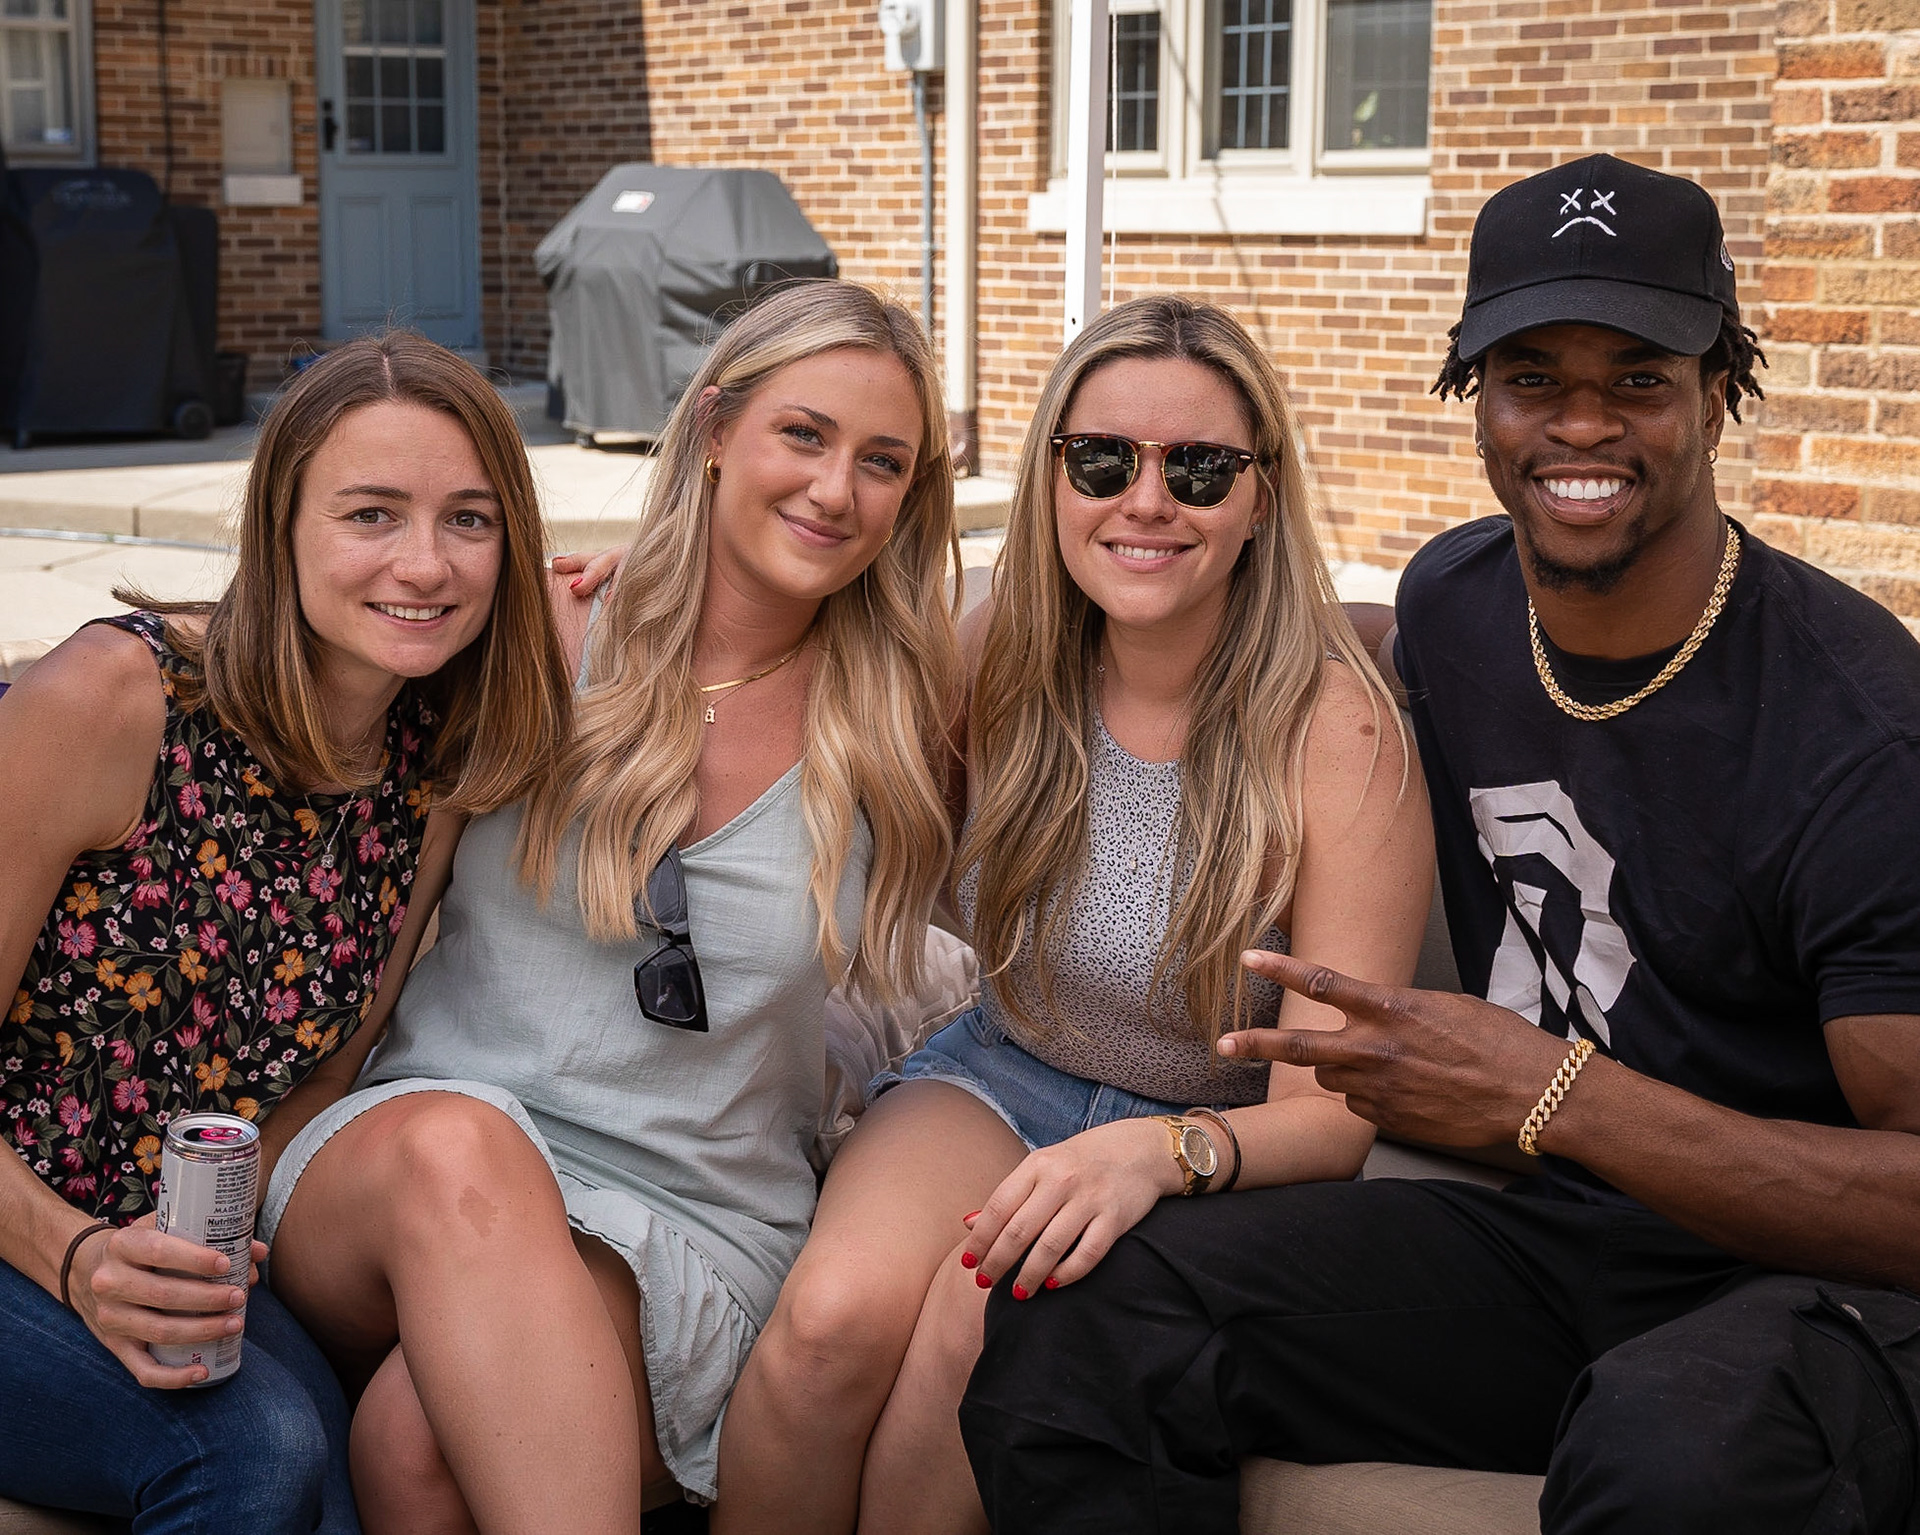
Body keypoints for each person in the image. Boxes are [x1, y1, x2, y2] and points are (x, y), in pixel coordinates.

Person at [960, 154, 1920, 1534]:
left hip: (1813, 1290)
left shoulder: (1859, 733)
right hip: (1560, 1234)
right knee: (1093, 1308)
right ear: (1478, 399)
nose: (1581, 423)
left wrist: (1558, 1095)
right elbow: (1310, 646)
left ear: (1719, 392)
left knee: (1674, 1455)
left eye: (1640, 377)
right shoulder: (1460, 600)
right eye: (1532, 376)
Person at [713, 294, 1433, 1535]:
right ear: (1053, 478)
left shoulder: (1336, 732)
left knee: (970, 1324)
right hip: (1002, 1069)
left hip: (1210, 1140)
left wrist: (1160, 1154)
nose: (1146, 501)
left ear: (1261, 496)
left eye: (1199, 469)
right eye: (1102, 460)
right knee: (826, 1325)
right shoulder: (1000, 651)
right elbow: (795, 676)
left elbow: (1333, 1117)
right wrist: (648, 594)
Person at [258, 279, 963, 1534]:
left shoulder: (906, 705)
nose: (834, 488)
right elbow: (330, 776)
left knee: (416, 1438)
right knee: (462, 1147)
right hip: (410, 1156)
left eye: (882, 461)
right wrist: (290, 1107)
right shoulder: (541, 626)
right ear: (715, 429)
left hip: (695, 1209)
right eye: (802, 434)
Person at [0, 333, 571, 1535]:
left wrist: (191, 1248)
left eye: (469, 519)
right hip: (25, 1231)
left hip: (173, 1254)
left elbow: (319, 1079)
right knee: (257, 1454)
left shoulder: (429, 763)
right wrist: (77, 1256)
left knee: (363, 1472)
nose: (426, 562)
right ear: (282, 529)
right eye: (371, 513)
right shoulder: (112, 702)